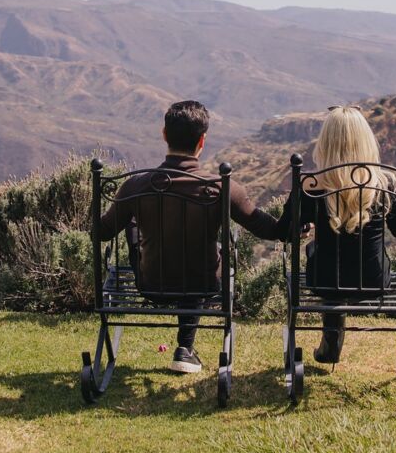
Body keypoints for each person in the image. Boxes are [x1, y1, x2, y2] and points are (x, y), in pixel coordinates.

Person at [96, 100, 280, 374]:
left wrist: (130, 219)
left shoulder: (135, 185)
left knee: (143, 231)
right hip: (203, 284)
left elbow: (102, 232)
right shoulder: (221, 187)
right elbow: (268, 229)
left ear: (164, 135)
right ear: (202, 140)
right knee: (204, 257)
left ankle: (185, 348)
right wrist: (296, 222)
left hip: (151, 283)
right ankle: (185, 347)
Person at [278, 105, 396, 365]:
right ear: (366, 142)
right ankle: (331, 339)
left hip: (325, 280)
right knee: (334, 257)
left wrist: (300, 227)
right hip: (373, 280)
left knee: (316, 253)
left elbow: (284, 231)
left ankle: (331, 338)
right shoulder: (384, 184)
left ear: (326, 144)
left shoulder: (310, 186)